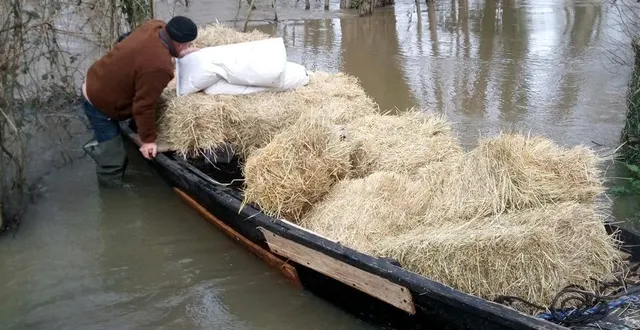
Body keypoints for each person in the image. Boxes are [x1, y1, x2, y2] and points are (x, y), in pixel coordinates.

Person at [81, 16, 199, 187]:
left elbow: (142, 51)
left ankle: (102, 145)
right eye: (187, 44)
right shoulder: (160, 67)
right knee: (113, 161)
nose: (188, 47)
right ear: (180, 43)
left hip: (96, 78)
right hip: (99, 105)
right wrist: (148, 140)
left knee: (112, 144)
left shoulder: (155, 26)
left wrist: (180, 53)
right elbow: (143, 106)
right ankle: (112, 199)